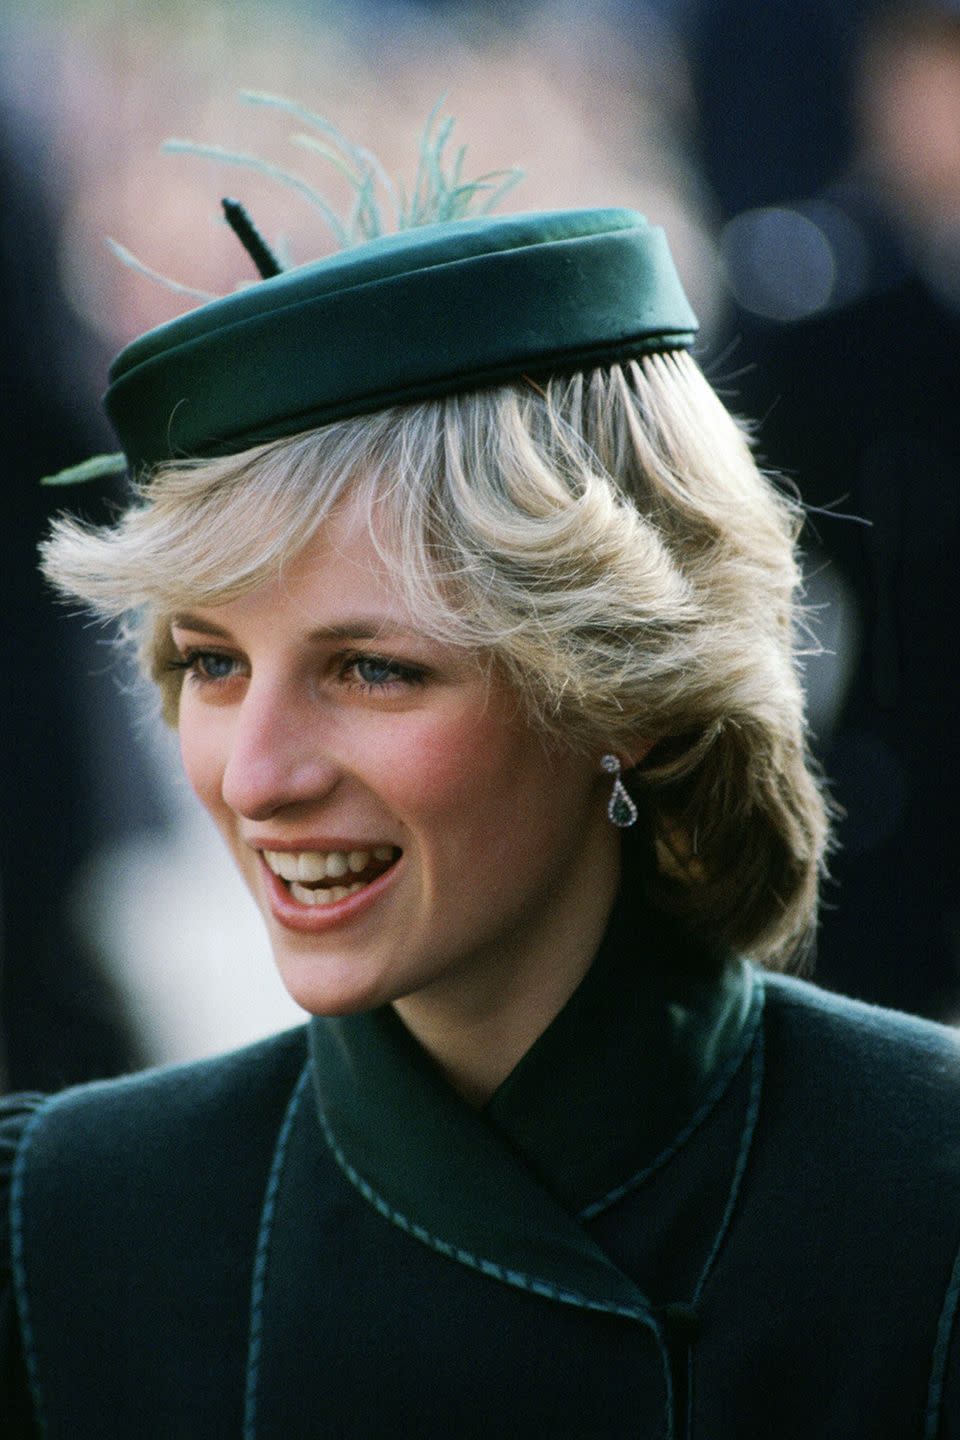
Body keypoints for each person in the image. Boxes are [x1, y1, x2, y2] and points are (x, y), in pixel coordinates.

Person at [2, 125, 960, 1439]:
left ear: (622, 695)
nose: (256, 777)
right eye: (213, 665)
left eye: (374, 670)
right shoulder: (66, 1227)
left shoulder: (928, 1193)